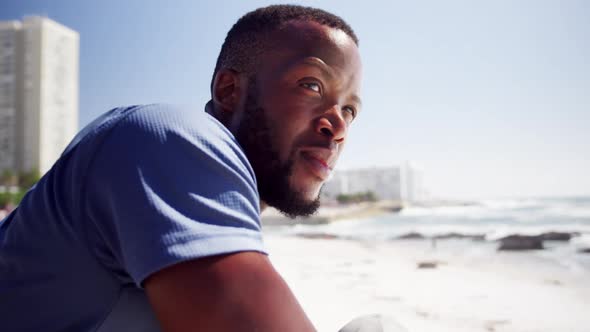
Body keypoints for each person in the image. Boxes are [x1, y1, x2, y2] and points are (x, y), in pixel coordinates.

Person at [0, 4, 362, 331]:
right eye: (311, 85)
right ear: (229, 90)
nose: (340, 126)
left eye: (349, 109)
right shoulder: (172, 138)